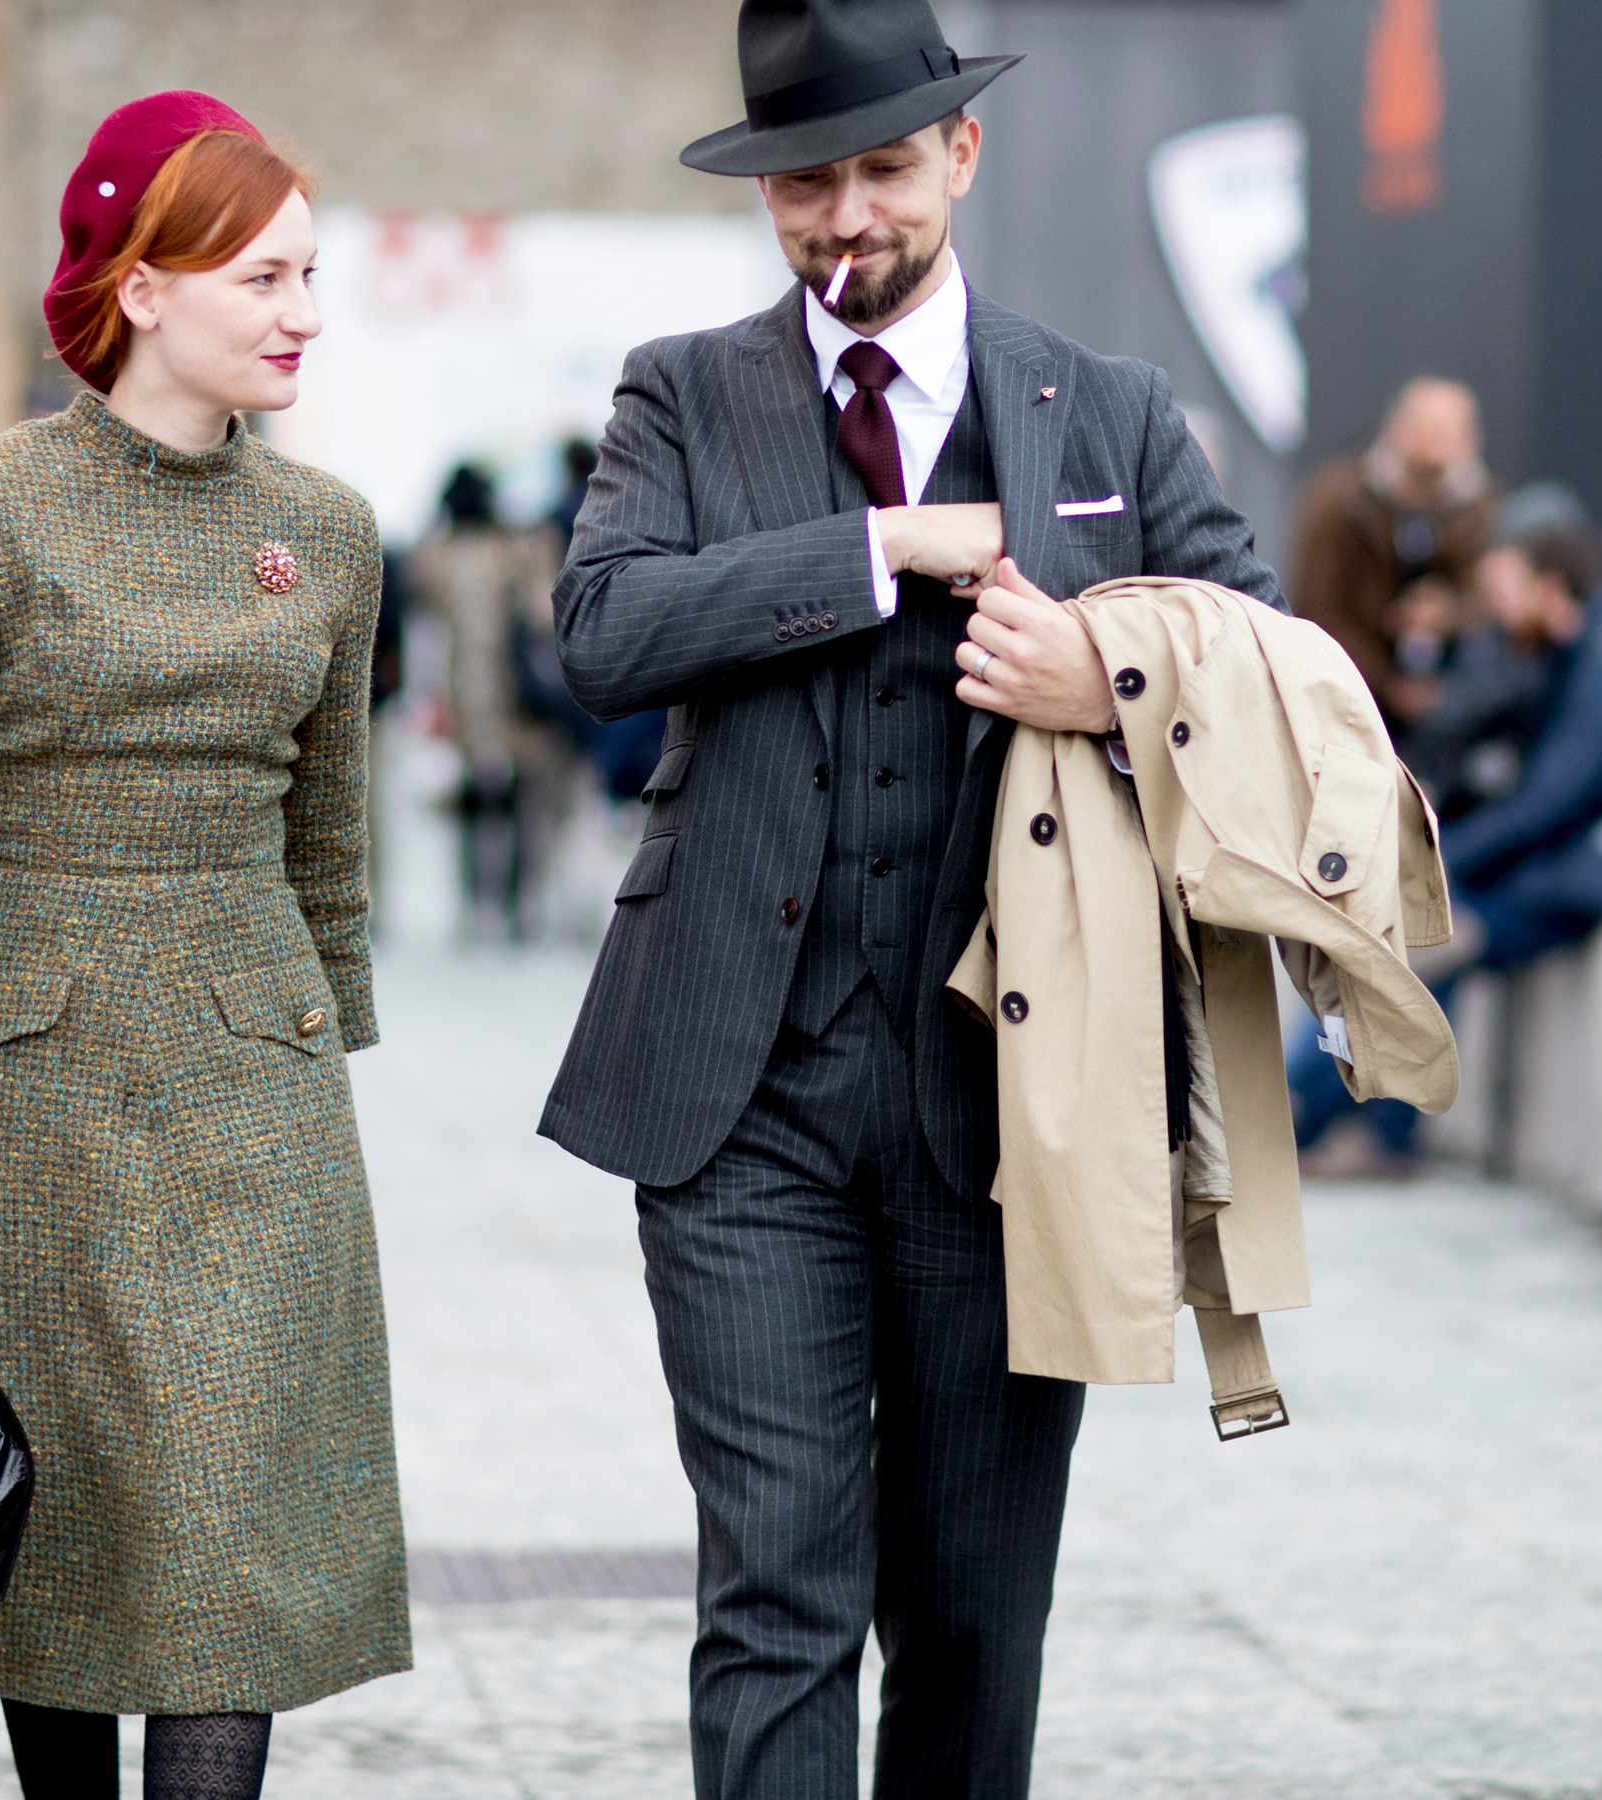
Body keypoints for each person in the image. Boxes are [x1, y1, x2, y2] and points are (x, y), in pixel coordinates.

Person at [537, 4, 1286, 1792]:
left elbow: (1266, 670)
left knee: (969, 1618)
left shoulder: (1109, 409)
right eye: (806, 183)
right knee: (777, 1596)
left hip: (1013, 1110)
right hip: (740, 1101)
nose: (844, 217)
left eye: (882, 169)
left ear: (962, 153)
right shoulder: (680, 392)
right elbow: (604, 634)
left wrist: (1102, 671)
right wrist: (881, 547)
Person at [0, 93, 408, 1800]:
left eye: (312, 275)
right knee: (61, 1517)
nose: (304, 313)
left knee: (231, 1528)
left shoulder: (332, 529)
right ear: (142, 287)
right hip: (25, 1089)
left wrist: (329, 1049)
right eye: (264, 277)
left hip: (256, 1087)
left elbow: (332, 836)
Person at [1292, 497, 1602, 1174]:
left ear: (1550, 587)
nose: (1495, 609)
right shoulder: (1564, 656)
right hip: (1571, 873)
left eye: (1506, 591)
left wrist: (1436, 860)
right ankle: (1371, 1130)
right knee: (1426, 932)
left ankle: (1304, 1110)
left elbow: (1546, 801)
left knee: (1430, 938)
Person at [1291, 375, 1498, 727]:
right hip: (1344, 694)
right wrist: (1387, 684)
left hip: (1449, 704)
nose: (1433, 441)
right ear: (1395, 426)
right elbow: (1315, 608)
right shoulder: (1338, 502)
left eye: (1446, 430)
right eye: (1424, 426)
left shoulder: (1485, 514)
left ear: (1470, 440)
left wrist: (1449, 615)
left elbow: (1495, 604)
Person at [410, 463, 562, 940]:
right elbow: (544, 616)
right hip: (517, 697)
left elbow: (427, 637)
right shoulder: (516, 550)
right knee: (524, 802)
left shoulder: (435, 558)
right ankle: (520, 903)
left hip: (464, 697)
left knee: (471, 805)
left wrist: (430, 700)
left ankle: (475, 904)